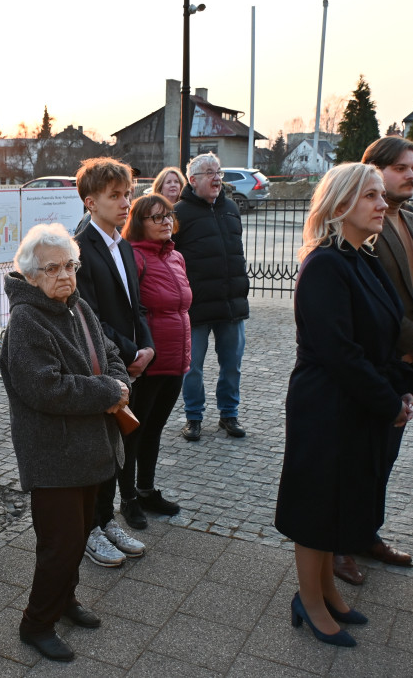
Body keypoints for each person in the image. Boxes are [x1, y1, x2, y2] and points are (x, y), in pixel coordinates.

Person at [275, 163, 413, 649]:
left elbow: (387, 335)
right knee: (317, 504)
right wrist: (387, 402)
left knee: (339, 502)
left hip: (355, 402)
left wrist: (402, 389)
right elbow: (340, 352)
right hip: (326, 405)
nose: (382, 204)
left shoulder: (363, 257)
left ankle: (328, 592)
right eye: (370, 196)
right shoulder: (325, 264)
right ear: (340, 205)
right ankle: (309, 601)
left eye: (381, 195)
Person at [0, 223, 131, 662]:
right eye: (52, 268)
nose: (65, 275)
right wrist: (109, 391)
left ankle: (65, 600)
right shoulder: (26, 321)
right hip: (54, 455)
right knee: (60, 546)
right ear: (30, 275)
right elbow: (46, 389)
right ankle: (36, 623)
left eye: (70, 266)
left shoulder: (77, 305)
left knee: (76, 539)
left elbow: (110, 354)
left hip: (90, 449)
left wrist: (120, 382)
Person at [331, 137, 413, 585]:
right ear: (373, 169)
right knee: (357, 457)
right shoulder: (362, 228)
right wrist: (411, 338)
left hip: (406, 360)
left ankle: (366, 532)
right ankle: (339, 544)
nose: (411, 175)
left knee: (385, 456)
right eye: (400, 168)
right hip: (377, 358)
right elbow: (371, 300)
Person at [73, 156, 154, 565]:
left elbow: (137, 306)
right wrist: (130, 352)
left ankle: (106, 520)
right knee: (99, 449)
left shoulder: (122, 244)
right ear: (91, 202)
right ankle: (90, 528)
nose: (126, 204)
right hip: (101, 364)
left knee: (118, 446)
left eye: (128, 195)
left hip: (129, 363)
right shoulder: (80, 249)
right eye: (115, 196)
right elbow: (89, 316)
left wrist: (147, 346)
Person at [117, 194, 191, 528]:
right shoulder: (134, 257)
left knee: (155, 429)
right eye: (156, 217)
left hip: (176, 361)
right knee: (135, 431)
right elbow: (131, 311)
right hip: (148, 363)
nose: (165, 222)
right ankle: (128, 498)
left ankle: (146, 489)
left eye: (168, 215)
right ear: (139, 223)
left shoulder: (176, 256)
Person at [173, 152, 250, 441]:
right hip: (195, 307)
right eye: (210, 173)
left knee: (232, 365)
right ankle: (193, 417)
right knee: (192, 367)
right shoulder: (179, 213)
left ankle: (229, 414)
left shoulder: (230, 208)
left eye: (219, 172)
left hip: (231, 304)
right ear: (193, 180)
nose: (217, 178)